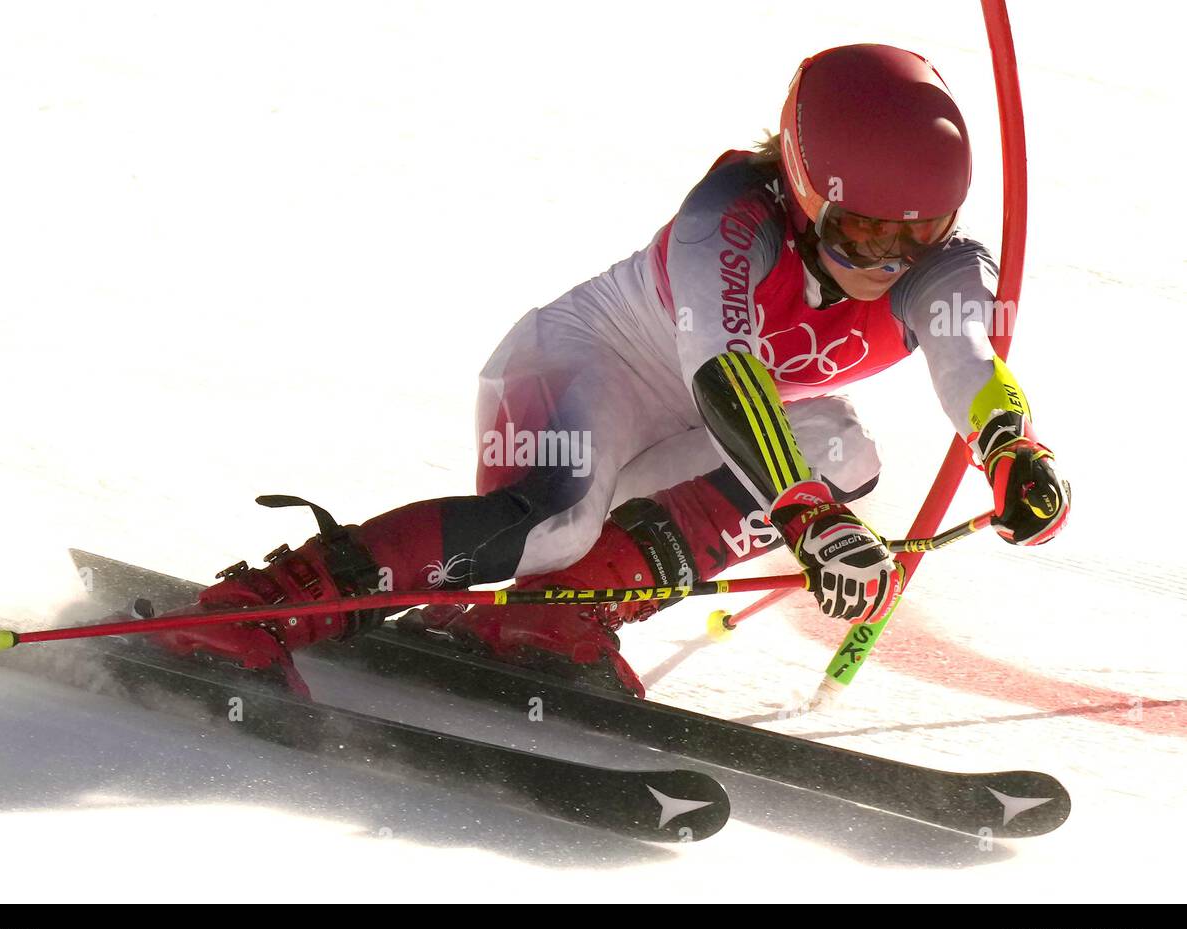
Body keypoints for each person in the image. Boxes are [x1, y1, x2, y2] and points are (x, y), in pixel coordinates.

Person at [149, 43, 1070, 699]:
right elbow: (726, 377)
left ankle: (550, 619)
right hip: (576, 372)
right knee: (555, 521)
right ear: (800, 184)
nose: (890, 265)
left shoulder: (941, 270)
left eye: (921, 235)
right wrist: (804, 516)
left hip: (689, 429)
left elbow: (969, 360)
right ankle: (261, 607)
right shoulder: (733, 221)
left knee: (842, 447)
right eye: (863, 234)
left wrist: (1010, 452)